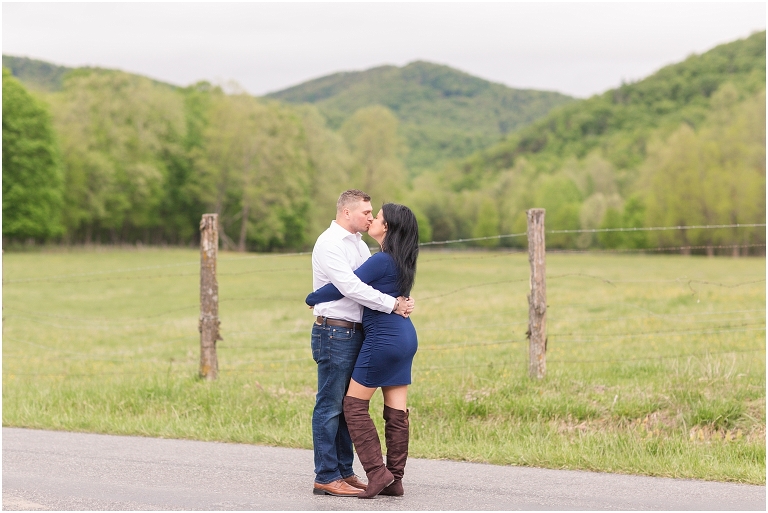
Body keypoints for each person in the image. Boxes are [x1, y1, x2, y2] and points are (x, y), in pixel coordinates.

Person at [307, 202, 419, 499]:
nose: (373, 219)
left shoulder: (381, 259)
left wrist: (312, 296)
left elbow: (344, 286)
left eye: (377, 217)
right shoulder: (403, 259)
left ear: (388, 228)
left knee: (353, 406)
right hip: (405, 337)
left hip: (383, 339)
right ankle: (394, 479)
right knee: (397, 411)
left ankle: (377, 473)